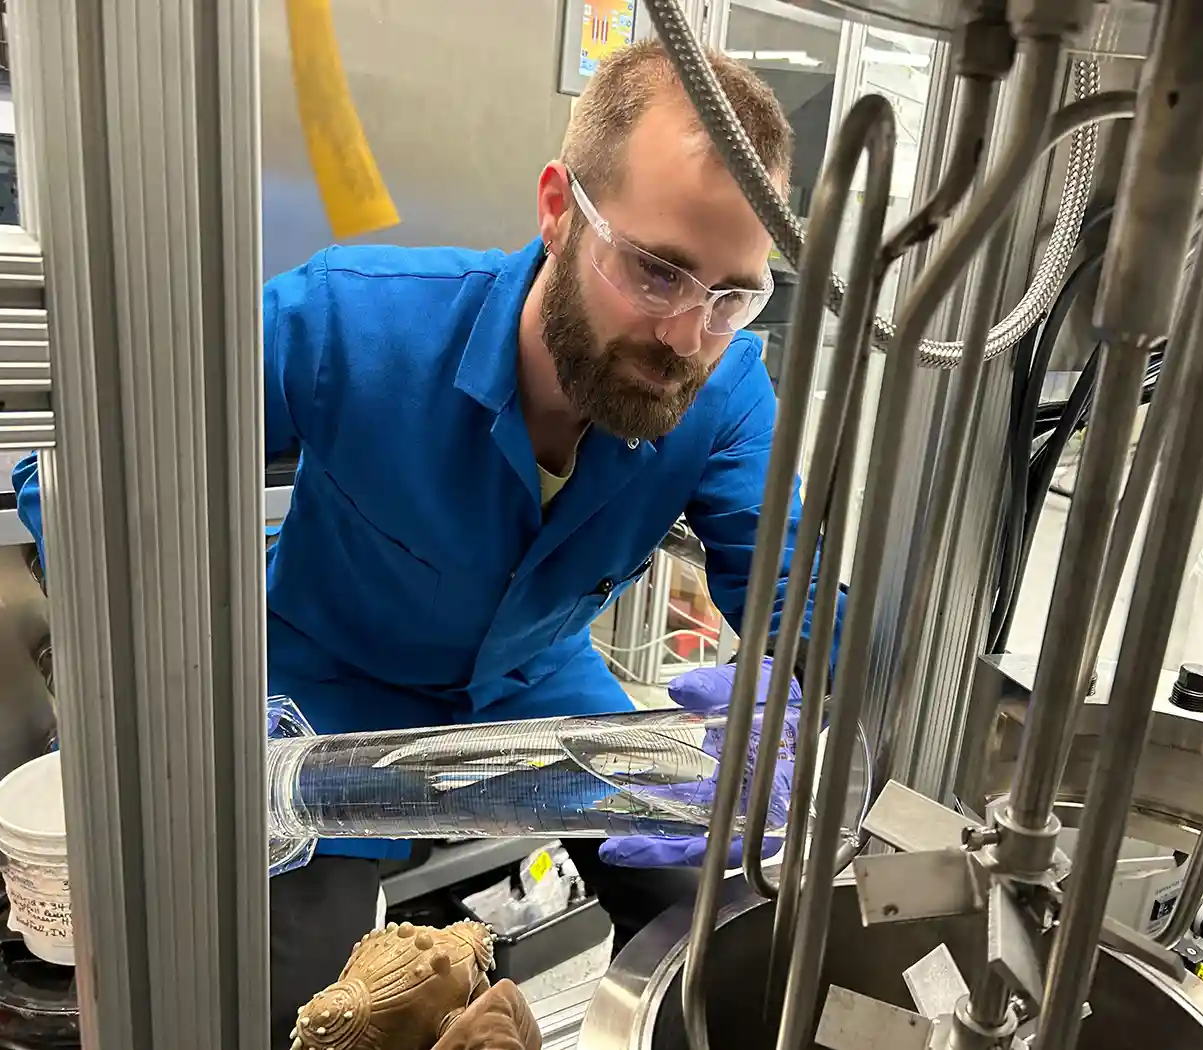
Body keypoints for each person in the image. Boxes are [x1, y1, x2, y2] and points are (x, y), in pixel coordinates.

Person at [12, 40, 839, 1050]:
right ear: (556, 208)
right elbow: (89, 476)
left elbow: (793, 597)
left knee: (734, 913)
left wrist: (789, 696)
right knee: (290, 1003)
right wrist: (184, 677)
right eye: (656, 271)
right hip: (317, 695)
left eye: (732, 295)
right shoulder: (355, 322)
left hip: (535, 684)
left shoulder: (725, 391)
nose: (686, 336)